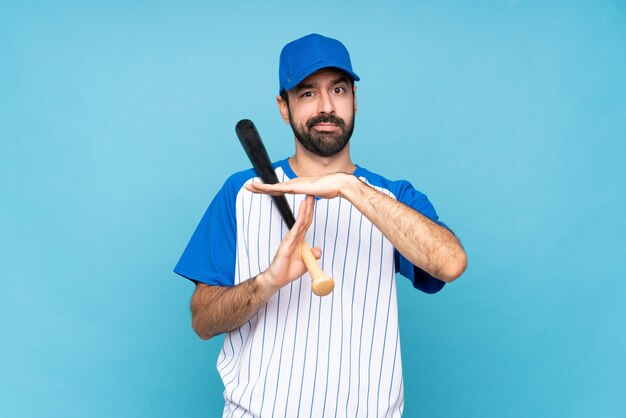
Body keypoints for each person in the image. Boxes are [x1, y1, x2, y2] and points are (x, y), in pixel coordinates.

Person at [174, 33, 467, 417]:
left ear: (355, 100)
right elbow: (203, 321)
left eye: (339, 89)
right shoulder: (242, 192)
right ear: (284, 106)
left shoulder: (390, 197)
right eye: (308, 93)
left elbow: (450, 263)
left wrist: (351, 188)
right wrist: (268, 282)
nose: (326, 106)